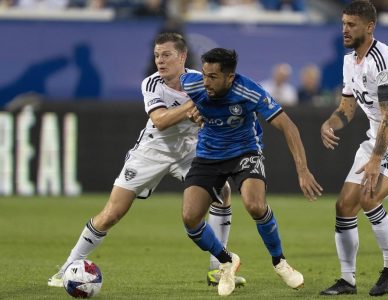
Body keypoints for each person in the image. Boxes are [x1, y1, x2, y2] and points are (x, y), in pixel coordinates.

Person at [47, 33, 246, 288]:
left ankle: (218, 270)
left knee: (224, 192)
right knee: (112, 213)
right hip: (151, 152)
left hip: (188, 152)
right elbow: (161, 121)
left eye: (166, 55)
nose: (160, 61)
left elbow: (216, 110)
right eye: (156, 56)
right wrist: (193, 107)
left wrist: (205, 115)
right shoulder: (151, 84)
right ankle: (65, 270)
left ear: (182, 56)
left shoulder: (200, 81)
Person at [180, 48, 323, 296]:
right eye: (204, 74)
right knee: (190, 218)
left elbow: (288, 127)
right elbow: (175, 83)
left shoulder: (249, 91)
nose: (206, 82)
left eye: (213, 77)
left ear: (230, 77)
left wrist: (303, 170)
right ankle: (226, 260)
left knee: (255, 205)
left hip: (244, 151)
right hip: (208, 155)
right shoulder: (193, 84)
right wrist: (192, 109)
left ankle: (280, 262)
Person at [319, 1, 388, 296]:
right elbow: (347, 107)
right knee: (343, 206)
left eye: (351, 24)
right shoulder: (348, 61)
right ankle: (347, 280)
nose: (344, 29)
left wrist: (375, 160)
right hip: (375, 138)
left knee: (368, 196)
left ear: (370, 27)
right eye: (343, 23)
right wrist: (329, 123)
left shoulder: (383, 62)